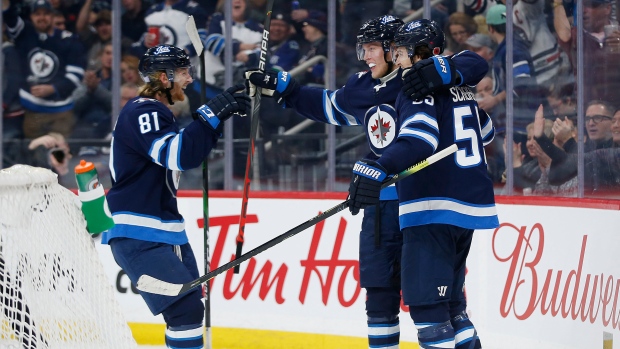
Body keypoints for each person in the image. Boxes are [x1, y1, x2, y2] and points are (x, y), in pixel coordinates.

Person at [246, 15, 488, 348]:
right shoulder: (364, 86)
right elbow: (330, 106)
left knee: (440, 303)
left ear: (394, 49)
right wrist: (289, 88)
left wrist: (445, 71)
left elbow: (471, 62)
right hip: (385, 202)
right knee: (381, 296)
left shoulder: (422, 78)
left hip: (422, 200)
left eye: (373, 48)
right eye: (363, 48)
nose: (366, 56)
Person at [346, 19, 498, 349]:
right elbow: (485, 133)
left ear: (421, 55)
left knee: (429, 312)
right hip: (467, 207)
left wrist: (378, 167)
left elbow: (419, 140)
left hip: (433, 207)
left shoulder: (417, 89)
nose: (397, 61)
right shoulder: (458, 88)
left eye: (400, 53)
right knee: (453, 307)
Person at [101, 44, 250, 349]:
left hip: (164, 231)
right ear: (163, 77)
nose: (190, 79)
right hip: (140, 232)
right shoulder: (144, 110)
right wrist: (210, 115)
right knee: (184, 310)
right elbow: (176, 155)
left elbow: (190, 151)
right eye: (183, 71)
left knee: (189, 311)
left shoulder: (157, 113)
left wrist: (215, 119)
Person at [2, 0, 86, 140]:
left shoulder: (68, 40)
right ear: (31, 17)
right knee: (34, 157)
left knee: (59, 154)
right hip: (31, 112)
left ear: (53, 16)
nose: (41, 18)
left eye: (46, 14)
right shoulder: (25, 34)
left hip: (61, 113)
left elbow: (76, 76)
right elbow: (10, 16)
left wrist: (53, 88)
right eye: (37, 14)